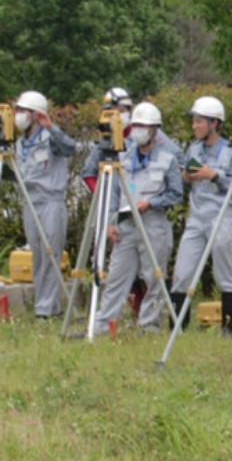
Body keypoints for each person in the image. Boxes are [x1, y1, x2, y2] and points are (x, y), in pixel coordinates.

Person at [80, 88, 185, 320]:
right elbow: (113, 194)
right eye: (135, 126)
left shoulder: (167, 159)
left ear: (154, 130)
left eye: (143, 127)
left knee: (154, 277)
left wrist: (152, 202)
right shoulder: (122, 159)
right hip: (126, 225)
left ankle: (149, 324)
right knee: (117, 275)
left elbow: (176, 193)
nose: (137, 131)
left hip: (153, 224)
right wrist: (109, 223)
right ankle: (103, 323)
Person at [169, 96, 232, 335]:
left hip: (222, 216)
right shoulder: (194, 148)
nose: (194, 126)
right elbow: (188, 182)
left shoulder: (231, 151)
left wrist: (214, 176)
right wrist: (186, 178)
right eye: (194, 121)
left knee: (225, 274)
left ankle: (228, 329)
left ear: (214, 123)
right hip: (196, 218)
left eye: (199, 121)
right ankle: (177, 328)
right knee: (181, 273)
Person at [13, 90, 77, 319]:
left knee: (51, 254)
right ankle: (48, 306)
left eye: (23, 111)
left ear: (35, 114)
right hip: (30, 202)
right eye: (17, 110)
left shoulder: (50, 138)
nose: (18, 115)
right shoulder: (21, 142)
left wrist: (51, 127)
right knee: (38, 255)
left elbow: (70, 147)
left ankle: (44, 310)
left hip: (50, 201)